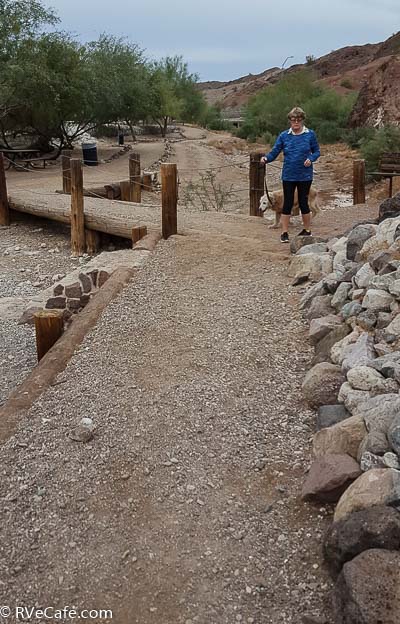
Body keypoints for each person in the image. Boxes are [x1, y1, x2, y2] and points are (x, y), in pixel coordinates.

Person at [261, 107, 320, 243]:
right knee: (287, 203)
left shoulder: (310, 134)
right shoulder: (284, 136)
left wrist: (310, 159)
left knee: (303, 202)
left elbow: (316, 151)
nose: (296, 122)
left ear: (302, 120)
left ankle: (307, 230)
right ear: (290, 121)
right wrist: (266, 159)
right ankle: (284, 232)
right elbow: (275, 151)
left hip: (305, 175)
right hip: (288, 175)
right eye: (293, 120)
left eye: (298, 119)